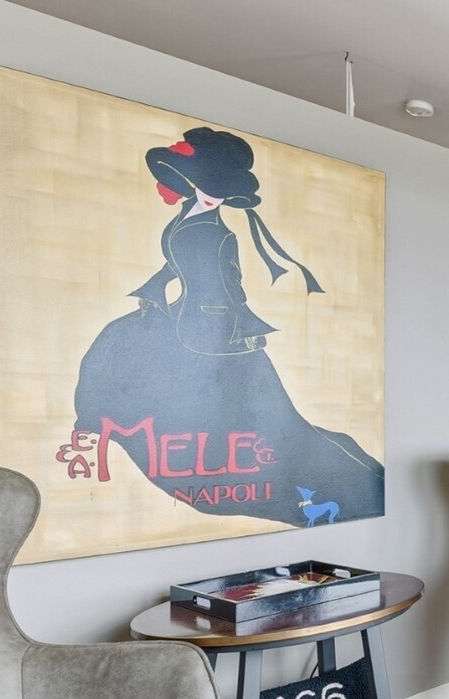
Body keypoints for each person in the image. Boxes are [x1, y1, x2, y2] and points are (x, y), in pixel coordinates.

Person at [73, 127, 384, 526]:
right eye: (203, 184)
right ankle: (109, 420)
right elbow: (176, 265)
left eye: (216, 188)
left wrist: (231, 325)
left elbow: (229, 283)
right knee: (121, 342)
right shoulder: (187, 218)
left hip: (211, 321)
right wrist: (156, 291)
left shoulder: (220, 233)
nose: (209, 194)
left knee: (274, 426)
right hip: (181, 313)